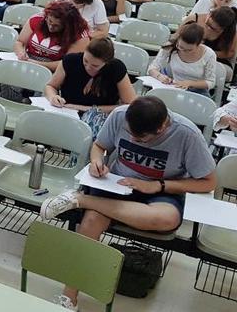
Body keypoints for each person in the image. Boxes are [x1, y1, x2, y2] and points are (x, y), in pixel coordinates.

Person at [40, 95, 216, 311]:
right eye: (129, 134)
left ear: (161, 128)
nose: (132, 140)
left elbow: (208, 182)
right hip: (117, 183)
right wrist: (97, 161)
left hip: (161, 189)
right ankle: (69, 296)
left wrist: (159, 185)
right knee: (91, 222)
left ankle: (82, 199)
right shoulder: (120, 115)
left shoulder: (187, 135)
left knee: (166, 218)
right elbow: (99, 146)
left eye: (140, 139)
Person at [44, 36, 135, 136]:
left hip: (100, 116)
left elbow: (129, 104)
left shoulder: (116, 68)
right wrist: (53, 97)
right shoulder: (70, 60)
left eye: (95, 66)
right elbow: (51, 86)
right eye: (85, 61)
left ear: (107, 62)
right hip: (66, 111)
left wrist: (85, 108)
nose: (88, 67)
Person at [15, 0, 90, 71]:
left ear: (67, 26)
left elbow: (67, 63)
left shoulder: (79, 36)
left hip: (55, 70)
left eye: (56, 25)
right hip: (28, 59)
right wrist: (21, 53)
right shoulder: (37, 19)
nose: (51, 27)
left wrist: (36, 64)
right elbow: (20, 42)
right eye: (50, 21)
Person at [148, 23, 216, 95]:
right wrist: (160, 77)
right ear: (178, 39)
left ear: (199, 44)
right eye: (180, 46)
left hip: (198, 91)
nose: (183, 51)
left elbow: (210, 82)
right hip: (175, 87)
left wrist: (190, 83)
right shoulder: (170, 47)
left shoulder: (209, 54)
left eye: (189, 50)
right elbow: (152, 68)